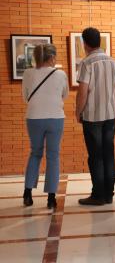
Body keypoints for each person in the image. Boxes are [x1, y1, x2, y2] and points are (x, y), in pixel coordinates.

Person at [76, 27, 115, 205]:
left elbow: (83, 92)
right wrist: (112, 107)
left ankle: (98, 195)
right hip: (110, 116)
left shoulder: (87, 63)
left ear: (85, 43)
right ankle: (109, 194)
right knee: (109, 154)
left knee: (95, 156)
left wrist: (78, 111)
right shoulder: (112, 61)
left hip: (92, 117)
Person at [22, 44, 68, 209]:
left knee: (35, 153)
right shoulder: (60, 74)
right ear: (52, 57)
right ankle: (51, 197)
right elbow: (65, 94)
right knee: (53, 156)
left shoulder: (27, 73)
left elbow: (25, 97)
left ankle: (27, 193)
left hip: (33, 118)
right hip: (55, 117)